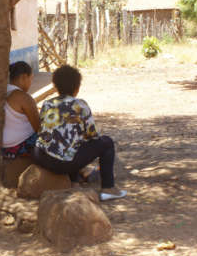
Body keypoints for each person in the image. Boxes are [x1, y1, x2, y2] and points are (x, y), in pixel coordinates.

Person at [32, 65, 127, 202]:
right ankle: (108, 188)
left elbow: (44, 130)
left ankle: (74, 181)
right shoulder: (80, 105)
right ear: (77, 88)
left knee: (69, 141)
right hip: (64, 163)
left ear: (55, 86)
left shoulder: (47, 104)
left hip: (42, 158)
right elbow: (92, 135)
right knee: (105, 143)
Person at [2, 61, 40, 159]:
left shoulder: (1, 92)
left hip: (2, 147)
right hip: (18, 147)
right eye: (30, 79)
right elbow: (38, 127)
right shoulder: (24, 97)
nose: (31, 83)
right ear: (23, 77)